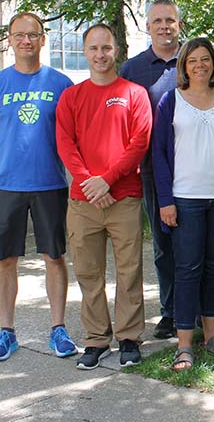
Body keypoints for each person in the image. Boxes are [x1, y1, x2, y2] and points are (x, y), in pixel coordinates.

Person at [0, 12, 76, 361]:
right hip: (6, 185)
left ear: (43, 39)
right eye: (19, 35)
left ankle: (58, 329)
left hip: (49, 183)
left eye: (32, 35)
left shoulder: (61, 85)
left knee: (54, 256)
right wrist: (9, 160)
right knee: (5, 258)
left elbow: (70, 135)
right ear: (10, 40)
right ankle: (6, 332)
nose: (26, 41)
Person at [56, 23, 152, 370]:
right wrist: (89, 183)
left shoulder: (133, 93)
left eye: (106, 48)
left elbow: (139, 142)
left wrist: (107, 181)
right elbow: (66, 145)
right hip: (84, 203)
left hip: (123, 197)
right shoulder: (72, 96)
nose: (100, 55)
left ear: (116, 51)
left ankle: (129, 338)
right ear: (85, 52)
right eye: (94, 48)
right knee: (88, 273)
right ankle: (96, 340)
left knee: (129, 272)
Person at [152, 37, 214, 370]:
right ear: (184, 66)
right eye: (193, 60)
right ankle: (184, 345)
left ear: (213, 64)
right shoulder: (170, 101)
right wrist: (166, 201)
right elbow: (159, 156)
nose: (199, 66)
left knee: (213, 267)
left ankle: (212, 336)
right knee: (187, 269)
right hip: (185, 198)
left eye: (205, 59)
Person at [118, 0, 180, 339]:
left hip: (196, 167)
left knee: (198, 243)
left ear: (179, 25)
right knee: (163, 243)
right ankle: (170, 312)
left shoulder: (195, 60)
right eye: (157, 20)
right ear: (147, 26)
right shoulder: (133, 69)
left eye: (170, 20)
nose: (164, 26)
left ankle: (202, 311)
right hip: (153, 172)